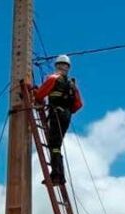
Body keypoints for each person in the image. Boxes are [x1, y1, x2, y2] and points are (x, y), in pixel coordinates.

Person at [33, 54, 83, 184]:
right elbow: (78, 105)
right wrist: (67, 111)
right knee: (57, 144)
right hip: (66, 116)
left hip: (56, 114)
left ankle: (57, 174)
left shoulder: (53, 78)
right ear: (68, 67)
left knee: (53, 144)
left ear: (57, 66)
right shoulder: (72, 85)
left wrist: (37, 98)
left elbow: (40, 94)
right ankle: (59, 174)